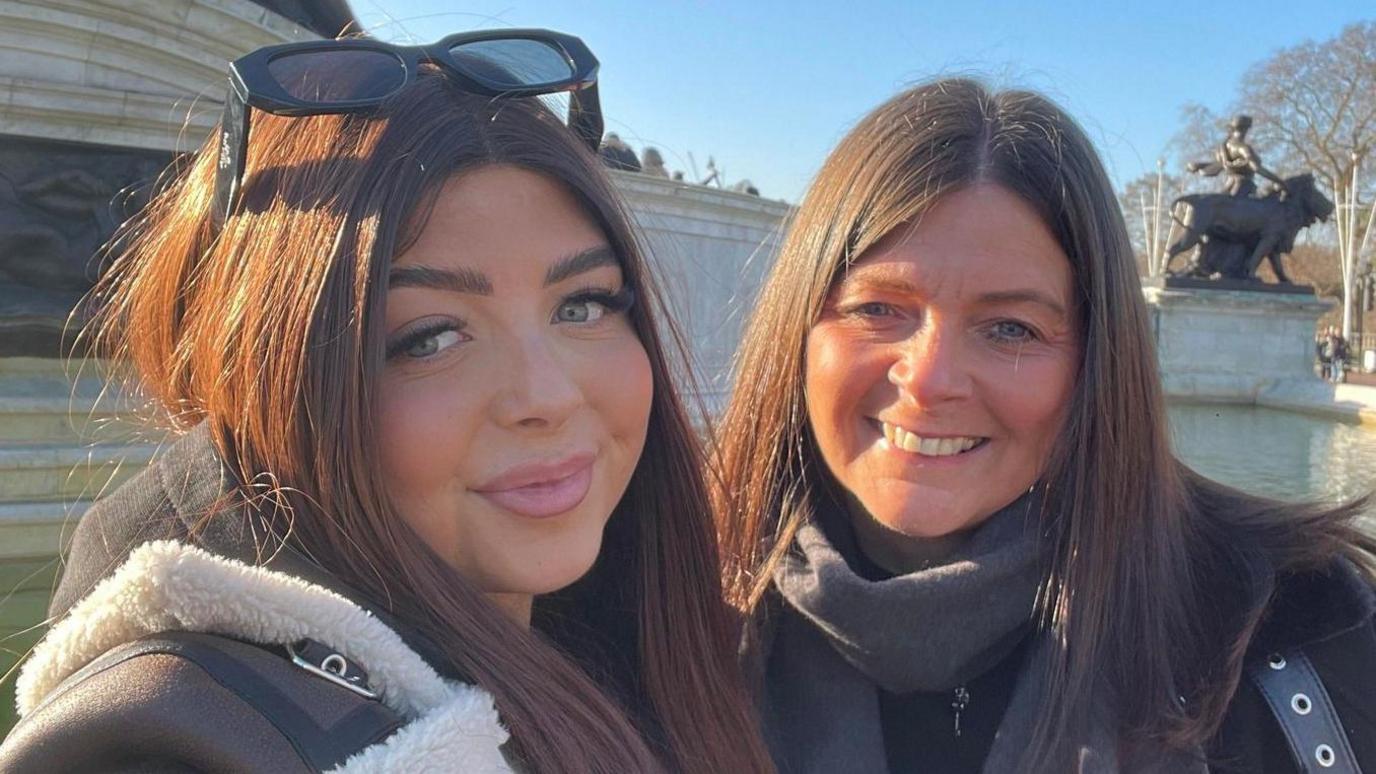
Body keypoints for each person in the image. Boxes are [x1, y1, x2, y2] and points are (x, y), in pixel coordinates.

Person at [0, 31, 772, 774]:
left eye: (583, 305)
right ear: (270, 372)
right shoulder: (181, 742)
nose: (548, 396)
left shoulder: (648, 645)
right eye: (431, 337)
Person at [713, 79, 1376, 773]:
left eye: (1010, 328)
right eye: (877, 309)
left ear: (1097, 359)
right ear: (799, 330)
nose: (931, 379)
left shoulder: (1302, 626)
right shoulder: (649, 600)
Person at [1187, 114, 1286, 199]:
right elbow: (1256, 168)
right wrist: (1279, 181)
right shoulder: (1242, 148)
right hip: (1244, 187)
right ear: (1245, 129)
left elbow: (1224, 164)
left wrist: (1200, 165)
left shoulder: (1223, 147)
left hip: (1230, 184)